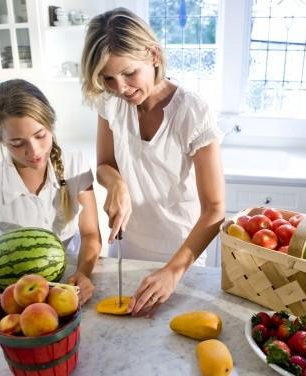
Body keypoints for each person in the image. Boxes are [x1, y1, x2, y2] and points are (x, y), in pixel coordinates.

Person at [80, 8, 225, 318]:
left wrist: (173, 271)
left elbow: (215, 210)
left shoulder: (193, 112)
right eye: (108, 78)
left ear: (154, 56)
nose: (120, 87)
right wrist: (116, 183)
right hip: (128, 247)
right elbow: (105, 163)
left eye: (129, 72)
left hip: (181, 253)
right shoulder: (111, 102)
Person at [0, 79, 101, 314]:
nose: (34, 151)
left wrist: (84, 274)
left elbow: (90, 233)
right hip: (17, 293)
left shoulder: (74, 164)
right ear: (0, 139)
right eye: (17, 143)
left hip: (68, 279)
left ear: (51, 124)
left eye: (40, 135)